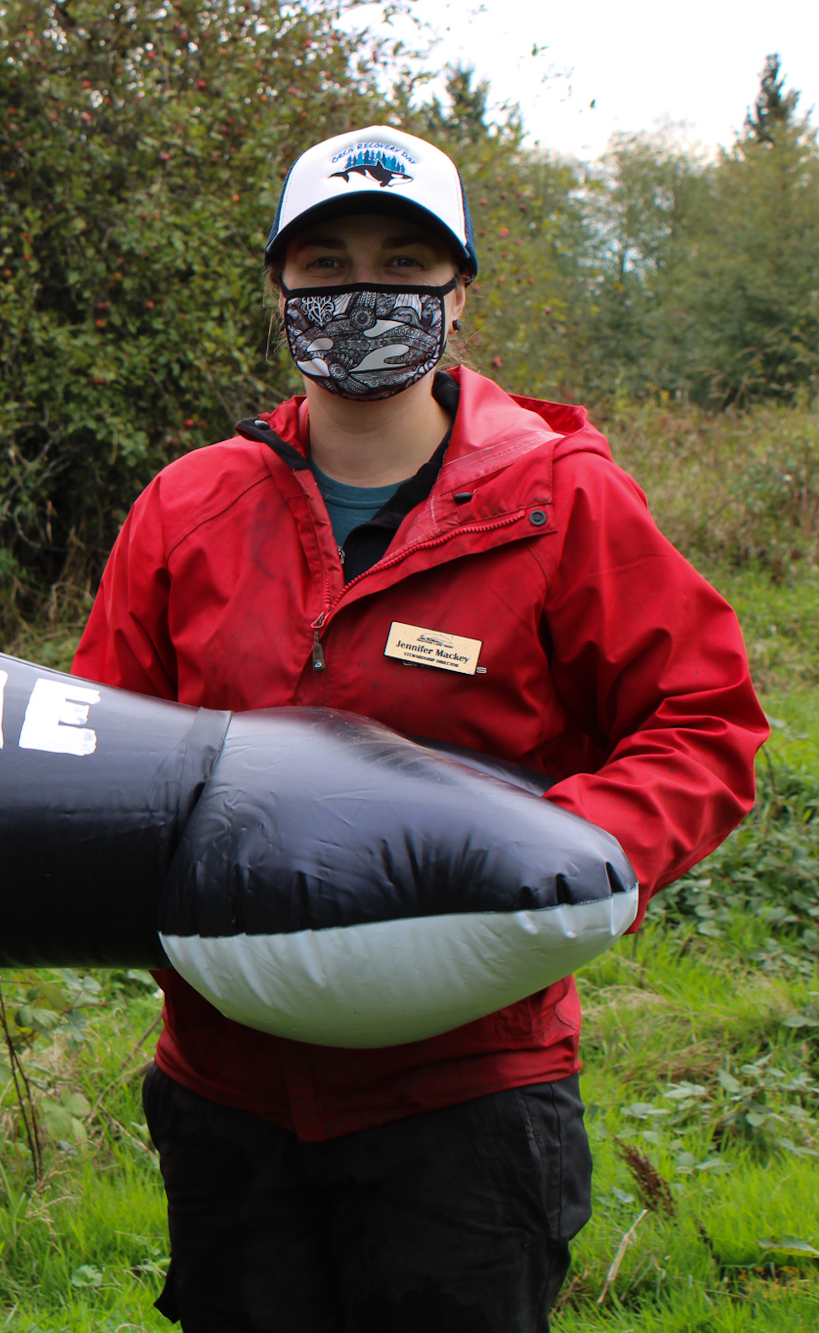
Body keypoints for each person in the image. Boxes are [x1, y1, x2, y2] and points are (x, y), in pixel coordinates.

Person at [74, 126, 767, 1331]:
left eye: (403, 263)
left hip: (468, 1093)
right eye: (325, 263)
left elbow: (699, 717)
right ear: (278, 292)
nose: (362, 293)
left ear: (456, 301)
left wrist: (565, 850)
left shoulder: (559, 502)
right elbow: (93, 749)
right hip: (228, 1086)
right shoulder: (186, 509)